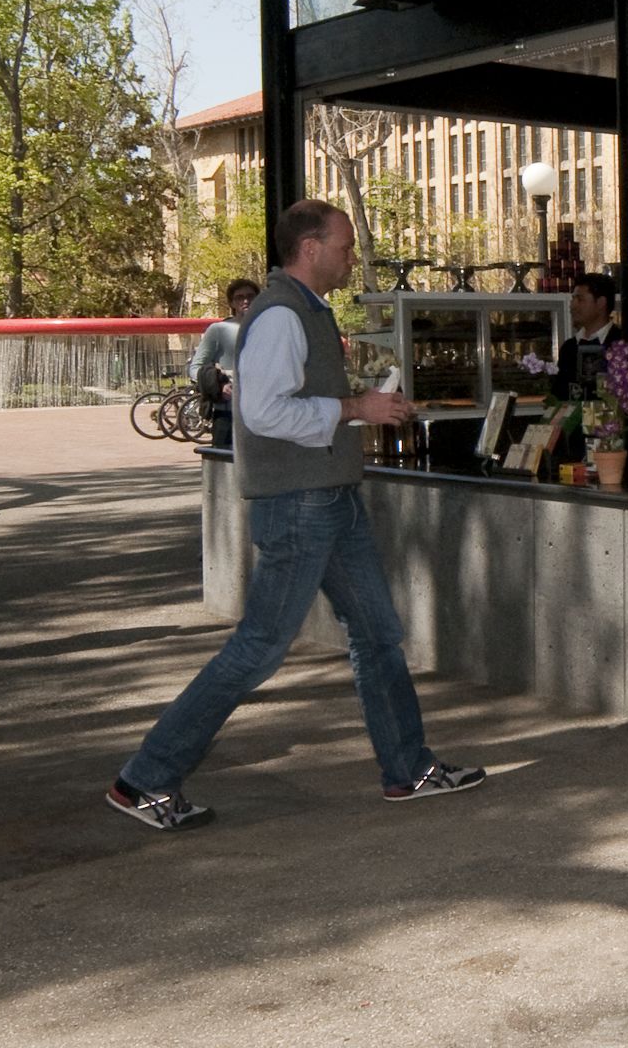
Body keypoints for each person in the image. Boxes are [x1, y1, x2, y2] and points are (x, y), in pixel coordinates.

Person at [106, 199, 486, 831]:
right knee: (259, 647)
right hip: (302, 506)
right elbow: (265, 413)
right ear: (309, 248)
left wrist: (361, 405)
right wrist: (354, 408)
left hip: (329, 499)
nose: (350, 257)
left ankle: (408, 770)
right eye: (343, 246)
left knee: (377, 635)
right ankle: (144, 778)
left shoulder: (300, 310)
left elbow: (295, 404)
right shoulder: (281, 314)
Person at [190, 276, 261, 449]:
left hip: (262, 413)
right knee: (226, 470)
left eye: (250, 296)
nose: (246, 300)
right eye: (239, 297)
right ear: (232, 303)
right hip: (227, 413)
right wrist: (219, 385)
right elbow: (194, 367)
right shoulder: (219, 330)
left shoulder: (269, 328)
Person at [552, 270, 627, 401]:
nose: (572, 305)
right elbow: (559, 395)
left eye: (580, 299)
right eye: (573, 299)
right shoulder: (569, 348)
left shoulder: (623, 344)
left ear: (601, 303)